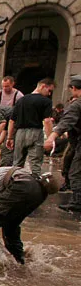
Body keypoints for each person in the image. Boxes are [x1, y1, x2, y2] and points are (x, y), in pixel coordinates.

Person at [44, 76, 81, 211]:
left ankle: (78, 202)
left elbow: (66, 122)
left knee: (76, 172)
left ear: (74, 88)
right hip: (75, 142)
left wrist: (51, 137)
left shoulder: (76, 104)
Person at [6, 78, 55, 178]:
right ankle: (34, 186)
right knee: (35, 164)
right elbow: (47, 120)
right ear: (43, 86)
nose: (49, 94)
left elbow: (12, 121)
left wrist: (9, 137)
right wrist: (50, 138)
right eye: (49, 90)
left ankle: (15, 184)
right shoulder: (46, 101)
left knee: (17, 163)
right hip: (36, 132)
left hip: (20, 133)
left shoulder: (21, 100)